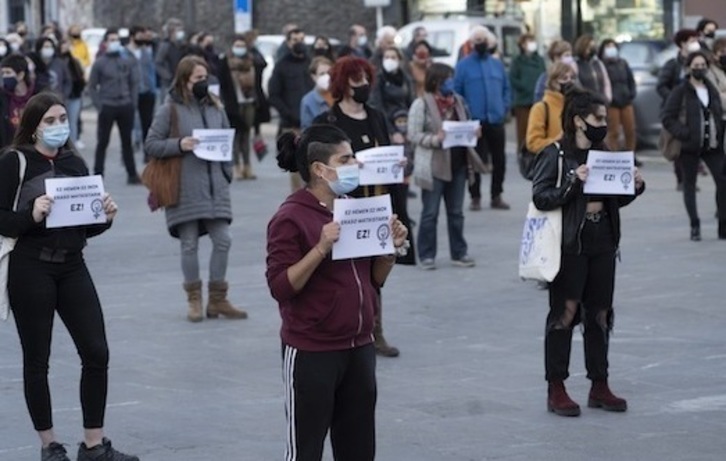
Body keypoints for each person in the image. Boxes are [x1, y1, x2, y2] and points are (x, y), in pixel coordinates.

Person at [0, 92, 137, 461]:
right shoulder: (15, 162)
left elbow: (83, 228)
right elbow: (2, 219)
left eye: (62, 118)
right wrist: (31, 213)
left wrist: (104, 217)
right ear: (32, 127)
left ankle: (94, 443)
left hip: (73, 264)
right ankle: (49, 444)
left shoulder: (75, 163)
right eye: (50, 121)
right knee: (37, 358)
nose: (59, 126)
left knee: (96, 351)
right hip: (31, 266)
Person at [266, 124, 409, 461]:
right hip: (312, 349)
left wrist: (389, 248)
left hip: (359, 345)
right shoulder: (290, 217)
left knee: (359, 449)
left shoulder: (354, 207)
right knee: (306, 449)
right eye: (346, 159)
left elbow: (373, 281)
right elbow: (281, 287)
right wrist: (320, 247)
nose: (355, 165)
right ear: (320, 169)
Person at [531, 88, 645, 417]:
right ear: (579, 120)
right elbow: (541, 197)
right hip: (570, 244)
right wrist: (572, 184)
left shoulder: (604, 151)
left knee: (600, 314)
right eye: (598, 118)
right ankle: (557, 387)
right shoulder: (556, 153)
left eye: (604, 119)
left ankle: (599, 384)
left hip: (603, 239)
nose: (603, 124)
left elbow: (615, 198)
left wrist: (634, 186)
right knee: (564, 314)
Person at [314, 56, 413, 356]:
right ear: (343, 85)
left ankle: (374, 330)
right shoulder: (328, 121)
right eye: (357, 81)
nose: (364, 86)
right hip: (346, 203)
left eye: (366, 80)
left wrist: (398, 163)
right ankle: (344, 325)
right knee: (344, 268)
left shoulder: (376, 115)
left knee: (377, 266)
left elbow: (385, 152)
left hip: (378, 202)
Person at [145, 56, 247, 322]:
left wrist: (226, 173)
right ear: (184, 81)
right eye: (197, 79)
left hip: (215, 186)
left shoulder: (216, 106)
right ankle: (194, 299)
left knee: (224, 239)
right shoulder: (170, 109)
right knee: (189, 243)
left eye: (206, 78)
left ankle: (217, 299)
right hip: (184, 186)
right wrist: (180, 144)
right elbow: (151, 144)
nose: (204, 83)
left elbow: (228, 140)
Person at [408, 63, 487, 270]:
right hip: (434, 166)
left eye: (451, 79)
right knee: (430, 213)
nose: (450, 84)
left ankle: (459, 253)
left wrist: (474, 132)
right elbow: (413, 134)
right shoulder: (421, 104)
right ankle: (426, 254)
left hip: (458, 165)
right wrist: (435, 139)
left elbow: (466, 124)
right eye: (446, 80)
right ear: (435, 82)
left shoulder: (459, 101)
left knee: (456, 212)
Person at [661, 51, 726, 240]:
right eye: (696, 65)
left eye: (703, 65)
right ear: (688, 68)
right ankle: (694, 225)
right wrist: (684, 133)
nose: (700, 69)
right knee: (690, 184)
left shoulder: (711, 88)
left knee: (722, 182)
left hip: (713, 144)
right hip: (689, 146)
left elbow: (717, 112)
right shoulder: (681, 91)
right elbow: (668, 117)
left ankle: (723, 224)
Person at [455, 25, 512, 210]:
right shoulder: (463, 66)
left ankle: (497, 195)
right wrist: (465, 116)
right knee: (474, 161)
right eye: (477, 41)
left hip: (495, 119)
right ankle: (475, 196)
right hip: (474, 122)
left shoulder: (496, 64)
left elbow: (506, 88)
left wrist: (504, 108)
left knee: (499, 160)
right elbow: (458, 93)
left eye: (483, 40)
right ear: (472, 43)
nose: (481, 43)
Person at [87, 29, 141, 184]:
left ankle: (132, 174)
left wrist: (132, 102)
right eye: (111, 39)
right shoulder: (100, 63)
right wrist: (99, 105)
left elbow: (134, 82)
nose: (115, 42)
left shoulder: (126, 61)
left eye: (116, 39)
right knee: (103, 141)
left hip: (125, 105)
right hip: (107, 105)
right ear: (105, 42)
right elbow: (92, 86)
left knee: (127, 142)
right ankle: (98, 175)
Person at [268, 27, 314, 191]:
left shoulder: (311, 63)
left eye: (301, 39)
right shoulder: (281, 66)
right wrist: (289, 114)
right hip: (292, 124)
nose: (299, 43)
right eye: (295, 40)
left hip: (313, 123)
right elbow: (274, 95)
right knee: (296, 168)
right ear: (288, 43)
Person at [658, 29, 703, 191]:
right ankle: (681, 180)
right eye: (692, 40)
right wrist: (673, 99)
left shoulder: (700, 63)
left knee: (694, 145)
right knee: (678, 146)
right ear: (683, 43)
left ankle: (691, 180)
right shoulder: (672, 64)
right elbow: (661, 85)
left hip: (695, 111)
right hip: (677, 112)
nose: (695, 43)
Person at [369, 47, 415, 191]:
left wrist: (410, 128)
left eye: (393, 57)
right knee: (391, 171)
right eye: (386, 57)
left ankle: (403, 207)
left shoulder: (406, 79)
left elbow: (411, 103)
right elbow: (378, 107)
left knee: (406, 166)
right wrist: (392, 131)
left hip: (405, 125)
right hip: (388, 127)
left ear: (399, 60)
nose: (389, 60)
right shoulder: (379, 80)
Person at [218, 34, 261, 179]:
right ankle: (236, 167)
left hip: (249, 102)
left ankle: (247, 166)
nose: (240, 49)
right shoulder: (225, 62)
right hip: (233, 104)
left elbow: (262, 68)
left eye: (242, 46)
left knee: (246, 135)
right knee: (235, 136)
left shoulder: (252, 61)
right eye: (237, 46)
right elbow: (222, 83)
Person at [526, 62, 575, 156]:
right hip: (552, 164)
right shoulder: (540, 108)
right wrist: (557, 141)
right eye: (564, 78)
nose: (569, 81)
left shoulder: (574, 105)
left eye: (572, 78)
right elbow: (533, 143)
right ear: (553, 82)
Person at [599, 39, 637, 156]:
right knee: (613, 132)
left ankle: (631, 155)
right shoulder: (602, 65)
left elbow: (630, 80)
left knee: (630, 130)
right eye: (608, 46)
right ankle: (612, 155)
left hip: (626, 101)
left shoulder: (622, 63)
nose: (611, 49)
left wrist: (631, 94)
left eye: (613, 46)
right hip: (612, 104)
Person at [510, 33, 546, 150]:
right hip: (523, 102)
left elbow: (544, 75)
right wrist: (524, 86)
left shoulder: (539, 60)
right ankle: (523, 154)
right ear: (522, 45)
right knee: (523, 132)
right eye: (528, 42)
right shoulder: (517, 61)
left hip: (539, 101)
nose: (532, 44)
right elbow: (512, 79)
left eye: (533, 41)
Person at [127, 26, 157, 163]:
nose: (143, 39)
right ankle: (130, 150)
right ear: (133, 36)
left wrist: (152, 87)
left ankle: (147, 152)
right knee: (131, 122)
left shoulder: (147, 51)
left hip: (147, 91)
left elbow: (152, 69)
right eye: (140, 35)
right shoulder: (125, 53)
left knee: (147, 123)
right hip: (131, 92)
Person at [1, 54, 36, 148]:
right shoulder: (2, 97)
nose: (5, 77)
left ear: (21, 75)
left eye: (8, 72)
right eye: (3, 73)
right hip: (8, 149)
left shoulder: (37, 95)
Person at [58, 39, 85, 147]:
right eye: (62, 45)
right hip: (60, 96)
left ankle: (72, 145)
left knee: (72, 121)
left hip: (74, 95)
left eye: (66, 45)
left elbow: (80, 77)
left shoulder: (74, 61)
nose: (64, 48)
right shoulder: (56, 62)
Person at [155, 18, 187, 102]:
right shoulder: (165, 46)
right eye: (178, 30)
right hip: (168, 84)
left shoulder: (182, 46)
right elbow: (158, 63)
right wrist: (168, 76)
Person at [573, 35, 612, 103]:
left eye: (592, 47)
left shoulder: (598, 63)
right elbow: (577, 85)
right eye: (588, 47)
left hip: (602, 102)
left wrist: (607, 98)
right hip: (586, 104)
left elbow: (606, 82)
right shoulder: (575, 64)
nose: (590, 50)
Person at [300, 56, 334, 129]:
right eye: (322, 74)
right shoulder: (308, 101)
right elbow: (306, 129)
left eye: (329, 73)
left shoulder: (340, 95)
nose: (327, 77)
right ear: (314, 77)